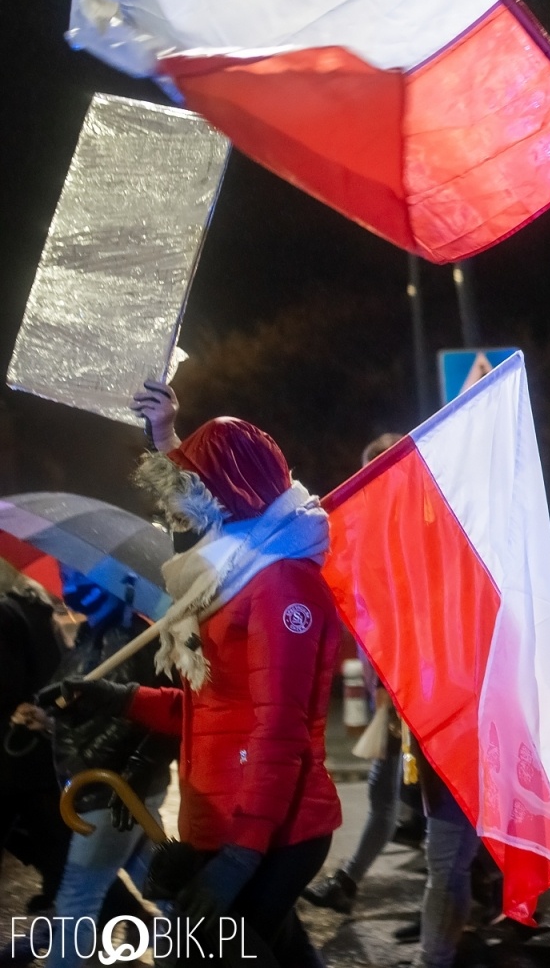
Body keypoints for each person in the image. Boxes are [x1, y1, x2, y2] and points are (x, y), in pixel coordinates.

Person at [55, 380, 342, 967]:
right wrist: (113, 697)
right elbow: (211, 711)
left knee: (198, 956)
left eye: (196, 489)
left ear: (230, 494)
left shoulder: (281, 583)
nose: (185, 505)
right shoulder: (227, 576)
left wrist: (240, 856)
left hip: (272, 832)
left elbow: (277, 731)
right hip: (228, 823)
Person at [42, 568, 180, 968]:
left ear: (110, 580)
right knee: (162, 889)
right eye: (63, 572)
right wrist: (44, 714)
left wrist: (90, 761)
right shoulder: (89, 635)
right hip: (99, 789)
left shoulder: (141, 639)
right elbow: (72, 703)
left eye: (75, 574)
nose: (67, 585)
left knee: (77, 897)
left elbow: (145, 715)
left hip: (112, 790)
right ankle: (205, 950)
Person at [303, 434, 408, 916]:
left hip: (412, 693)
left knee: (431, 803)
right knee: (392, 794)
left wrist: (388, 684)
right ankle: (349, 882)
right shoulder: (377, 535)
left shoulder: (409, 535)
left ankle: (482, 904)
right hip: (390, 693)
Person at [2, 577, 70, 915]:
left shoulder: (5, 616)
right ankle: (125, 911)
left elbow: (6, 685)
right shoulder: (42, 617)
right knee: (56, 849)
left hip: (12, 753)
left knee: (56, 849)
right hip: (38, 753)